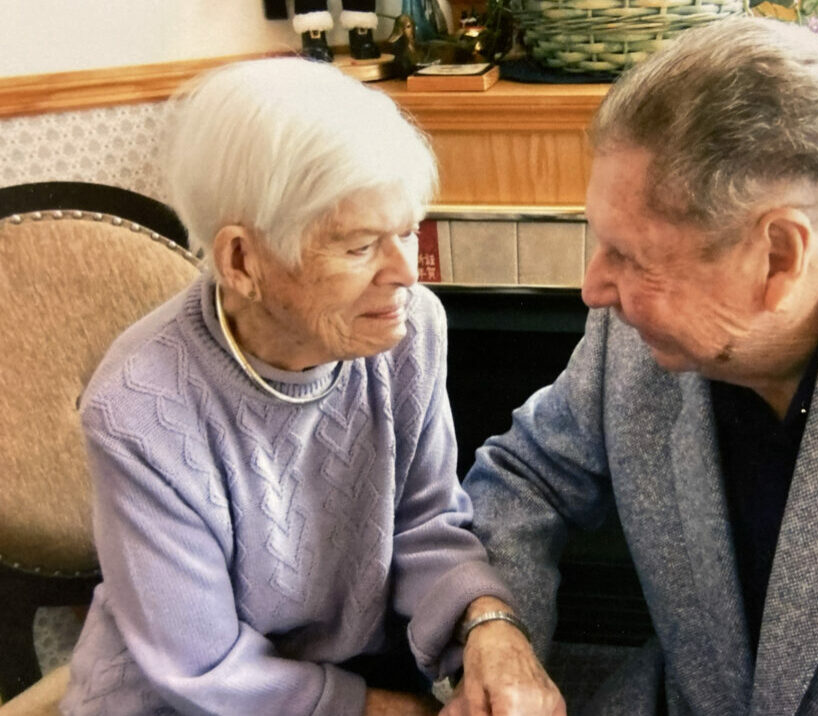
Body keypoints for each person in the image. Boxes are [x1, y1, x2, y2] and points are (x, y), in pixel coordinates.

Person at [461, 17, 818, 715]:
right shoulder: (631, 337)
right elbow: (525, 478)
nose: (594, 289)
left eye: (631, 257)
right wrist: (495, 626)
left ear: (779, 256)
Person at [61, 58, 563, 716]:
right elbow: (201, 668)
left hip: (341, 671)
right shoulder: (139, 407)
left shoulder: (409, 331)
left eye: (408, 232)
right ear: (241, 260)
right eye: (358, 247)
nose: (406, 274)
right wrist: (390, 710)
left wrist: (487, 624)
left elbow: (424, 523)